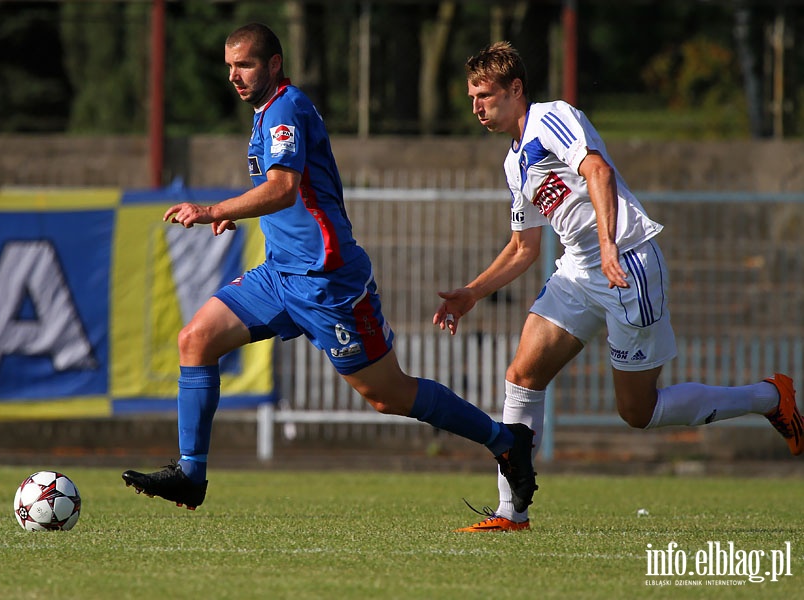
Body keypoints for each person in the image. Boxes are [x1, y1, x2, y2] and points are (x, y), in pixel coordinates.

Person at [122, 24, 537, 514]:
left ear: (274, 64)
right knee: (195, 339)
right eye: (230, 66)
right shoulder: (264, 114)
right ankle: (191, 474)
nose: (235, 76)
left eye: (246, 65)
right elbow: (285, 198)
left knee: (388, 395)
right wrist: (238, 214)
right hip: (280, 274)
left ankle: (504, 441)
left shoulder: (285, 109)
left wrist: (214, 210)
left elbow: (282, 188)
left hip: (328, 282)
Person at [434, 41, 802, 533]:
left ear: (515, 89)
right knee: (522, 374)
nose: (477, 107)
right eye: (472, 98)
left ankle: (768, 397)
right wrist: (472, 292)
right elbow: (524, 247)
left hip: (627, 263)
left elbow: (598, 170)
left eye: (485, 95)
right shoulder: (512, 161)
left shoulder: (551, 118)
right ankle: (511, 513)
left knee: (638, 411)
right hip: (578, 271)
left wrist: (608, 245)